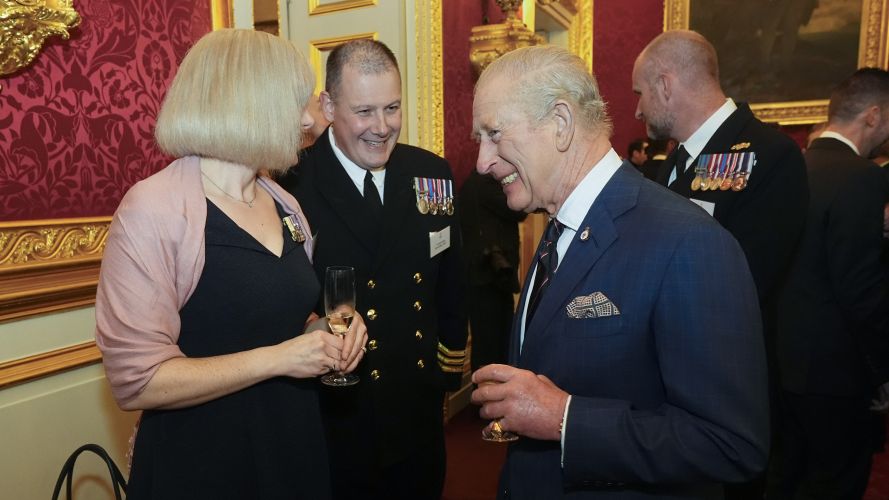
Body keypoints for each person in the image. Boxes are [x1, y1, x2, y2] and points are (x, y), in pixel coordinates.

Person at [470, 44, 769, 499]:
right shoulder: (557, 226)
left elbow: (729, 443)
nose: (482, 161)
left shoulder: (690, 242)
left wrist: (565, 420)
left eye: (494, 134)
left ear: (561, 123)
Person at [94, 29, 367, 499]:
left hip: (291, 449)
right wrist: (279, 359)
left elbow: (282, 319)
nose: (308, 120)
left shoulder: (286, 205)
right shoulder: (154, 209)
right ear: (249, 103)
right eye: (296, 102)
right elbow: (138, 382)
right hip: (204, 463)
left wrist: (322, 333)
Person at [278, 39, 468, 500]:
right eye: (364, 111)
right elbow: (280, 306)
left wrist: (444, 375)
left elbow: (451, 282)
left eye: (393, 108)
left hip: (417, 411)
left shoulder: (430, 173)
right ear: (327, 105)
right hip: (338, 417)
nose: (381, 128)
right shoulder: (291, 183)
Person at [633, 30, 808, 498]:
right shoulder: (674, 164)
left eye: (641, 93)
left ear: (666, 85)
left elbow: (751, 280)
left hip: (728, 386)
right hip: (670, 385)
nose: (637, 109)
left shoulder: (771, 155)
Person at [770, 68, 889, 500]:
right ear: (874, 116)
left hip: (780, 363)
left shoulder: (792, 168)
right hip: (836, 376)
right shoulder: (863, 177)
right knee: (835, 484)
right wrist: (883, 368)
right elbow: (860, 288)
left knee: (784, 479)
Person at [460, 169, 527, 372]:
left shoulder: (477, 182)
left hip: (491, 275)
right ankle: (487, 399)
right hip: (487, 276)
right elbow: (519, 209)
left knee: (495, 343)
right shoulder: (486, 184)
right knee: (491, 348)